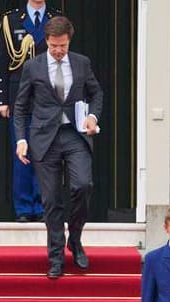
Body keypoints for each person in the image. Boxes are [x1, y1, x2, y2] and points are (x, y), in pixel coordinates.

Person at [13, 16, 103, 279]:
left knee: (83, 185)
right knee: (51, 200)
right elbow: (20, 107)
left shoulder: (81, 63)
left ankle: (74, 239)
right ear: (47, 42)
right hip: (44, 139)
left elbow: (96, 93)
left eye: (62, 46)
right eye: (53, 46)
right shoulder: (33, 66)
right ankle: (55, 258)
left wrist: (93, 117)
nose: (58, 51)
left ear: (69, 40)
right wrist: (21, 139)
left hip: (75, 135)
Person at [0, 0, 61, 222]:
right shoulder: (11, 20)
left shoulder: (57, 18)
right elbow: (2, 61)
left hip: (48, 98)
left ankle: (42, 206)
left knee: (44, 154)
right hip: (19, 97)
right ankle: (24, 208)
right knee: (22, 156)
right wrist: (2, 99)